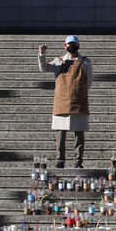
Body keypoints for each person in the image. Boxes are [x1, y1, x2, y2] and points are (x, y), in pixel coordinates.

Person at [38, 36, 92, 168]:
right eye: (69, 44)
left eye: (74, 44)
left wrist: (81, 94)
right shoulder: (58, 61)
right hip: (62, 102)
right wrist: (41, 55)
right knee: (60, 133)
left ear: (78, 46)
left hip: (78, 101)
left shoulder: (85, 62)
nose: (71, 46)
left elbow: (88, 81)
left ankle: (78, 161)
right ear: (65, 46)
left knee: (79, 133)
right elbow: (44, 68)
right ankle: (60, 160)